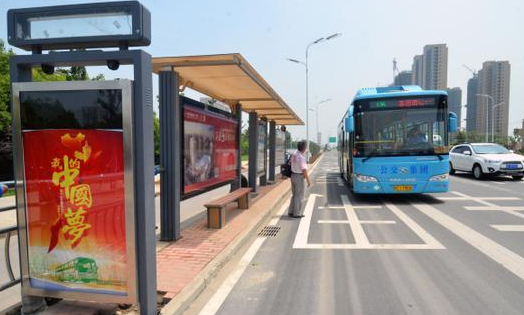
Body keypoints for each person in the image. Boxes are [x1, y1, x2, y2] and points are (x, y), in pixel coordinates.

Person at [288, 140, 312, 218]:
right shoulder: (301, 157)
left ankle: (291, 211)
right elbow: (304, 170)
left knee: (294, 195)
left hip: (293, 176)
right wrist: (308, 181)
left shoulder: (294, 154)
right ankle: (296, 213)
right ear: (304, 148)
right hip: (299, 177)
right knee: (299, 196)